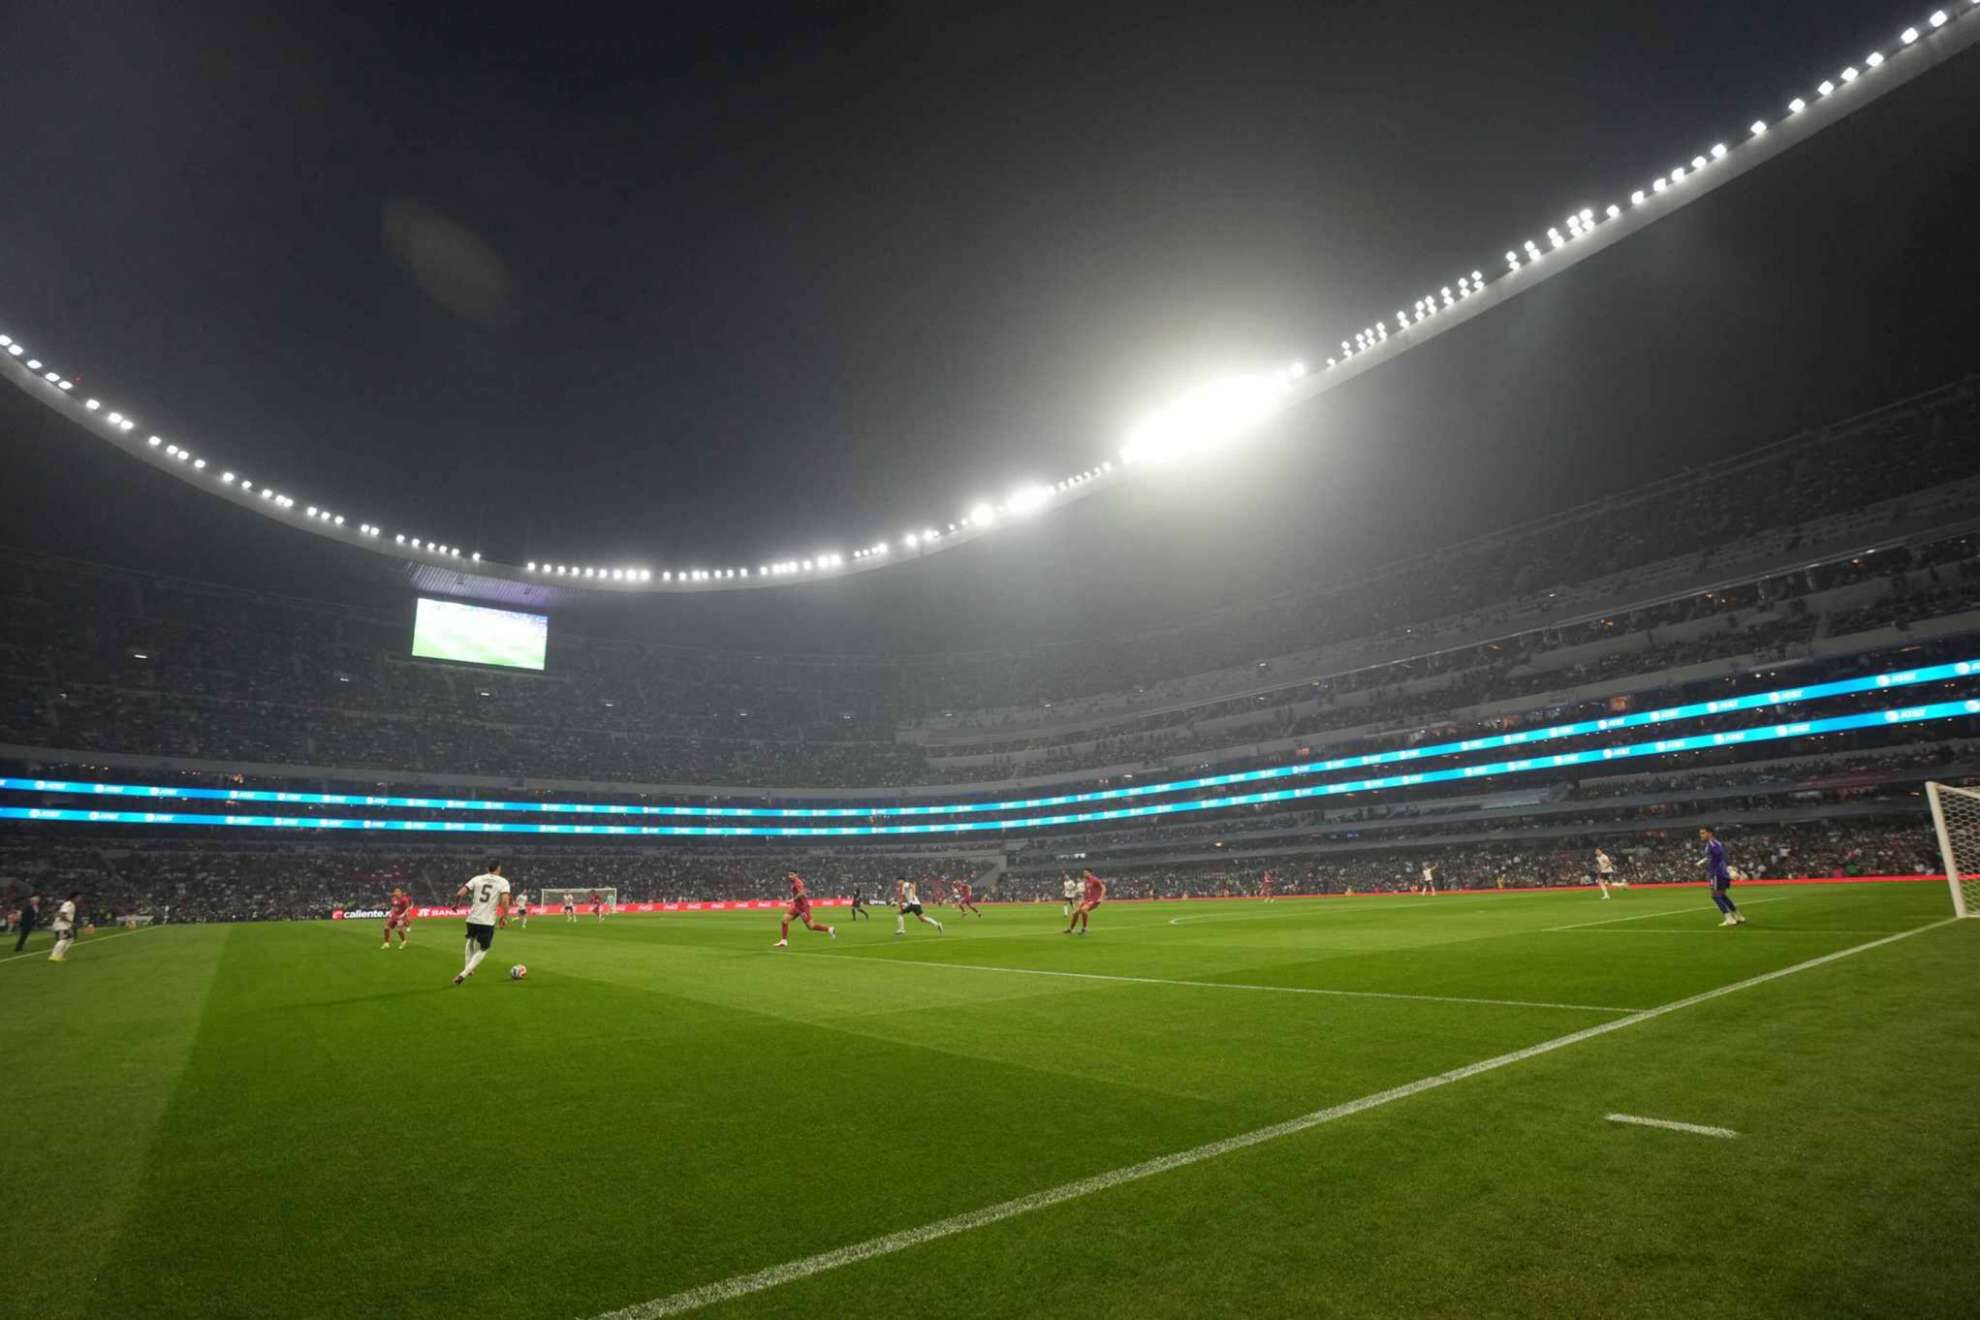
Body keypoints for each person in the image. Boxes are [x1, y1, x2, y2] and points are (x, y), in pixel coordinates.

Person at [451, 862, 512, 985]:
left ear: (487, 869)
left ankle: (467, 965)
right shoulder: (503, 882)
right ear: (498, 869)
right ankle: (464, 973)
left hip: (472, 918)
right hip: (487, 920)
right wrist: (504, 917)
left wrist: (457, 904)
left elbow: (460, 893)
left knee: (471, 939)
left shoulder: (477, 878)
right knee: (484, 948)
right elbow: (505, 901)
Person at [774, 872, 836, 948]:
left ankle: (829, 929)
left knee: (811, 927)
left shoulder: (798, 883)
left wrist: (792, 899)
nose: (790, 876)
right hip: (796, 907)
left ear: (796, 875)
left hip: (803, 908)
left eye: (792, 875)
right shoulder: (794, 882)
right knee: (784, 920)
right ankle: (784, 941)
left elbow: (802, 892)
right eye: (789, 875)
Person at [1698, 829, 1746, 927]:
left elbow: (1722, 856)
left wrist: (1730, 869)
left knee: (1715, 895)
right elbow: (1715, 856)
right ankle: (1738, 916)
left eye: (1703, 833)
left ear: (1710, 833)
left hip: (1717, 873)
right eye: (1700, 833)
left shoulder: (1712, 844)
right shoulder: (1716, 843)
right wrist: (1703, 861)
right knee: (1722, 895)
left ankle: (1729, 918)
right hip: (1721, 873)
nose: (1701, 835)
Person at [1065, 870, 1105, 935]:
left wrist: (1101, 898)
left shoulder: (1095, 880)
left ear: (1090, 873)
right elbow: (1087, 892)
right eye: (1083, 873)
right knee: (1075, 913)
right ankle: (1070, 929)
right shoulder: (1086, 881)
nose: (1084, 874)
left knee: (1083, 910)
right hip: (1087, 900)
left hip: (1094, 900)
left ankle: (1085, 928)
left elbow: (1103, 887)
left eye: (1085, 873)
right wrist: (1082, 899)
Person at [48, 892, 79, 962]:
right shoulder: (68, 904)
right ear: (75, 897)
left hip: (65, 925)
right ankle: (53, 956)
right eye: (79, 897)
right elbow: (62, 915)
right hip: (61, 924)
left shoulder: (72, 904)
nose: (80, 899)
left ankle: (59, 955)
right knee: (62, 940)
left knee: (70, 939)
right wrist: (72, 922)